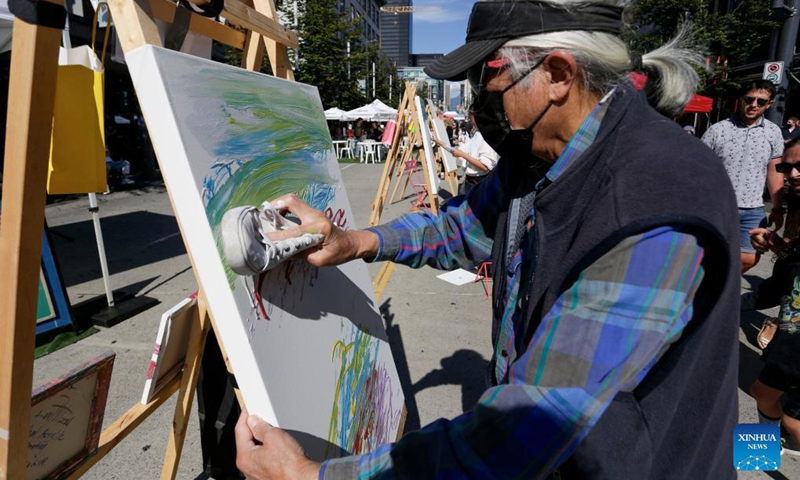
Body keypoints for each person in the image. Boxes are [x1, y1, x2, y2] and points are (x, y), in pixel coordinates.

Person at [234, 1, 740, 478]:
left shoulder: (654, 202)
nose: (482, 97)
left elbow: (527, 427)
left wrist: (309, 474)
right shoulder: (541, 155)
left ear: (558, 75)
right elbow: (460, 227)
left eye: (489, 74)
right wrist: (353, 241)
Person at [749, 137, 800, 455]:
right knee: (762, 391)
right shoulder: (798, 208)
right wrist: (775, 244)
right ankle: (759, 454)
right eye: (788, 167)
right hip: (792, 330)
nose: (793, 174)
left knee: (795, 419)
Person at [701, 80, 785, 273]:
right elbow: (700, 169)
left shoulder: (773, 132)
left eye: (761, 101)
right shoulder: (718, 130)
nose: (754, 104)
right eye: (749, 99)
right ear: (742, 99)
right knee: (709, 255)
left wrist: (778, 209)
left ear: (769, 104)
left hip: (753, 209)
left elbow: (774, 171)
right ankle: (708, 293)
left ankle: (717, 288)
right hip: (719, 206)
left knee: (749, 258)